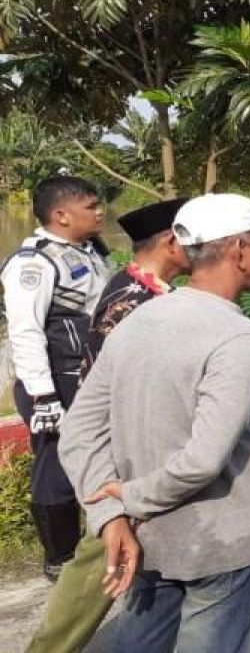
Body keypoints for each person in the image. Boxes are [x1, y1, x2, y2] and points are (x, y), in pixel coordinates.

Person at [59, 193, 250, 652]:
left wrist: (113, 516)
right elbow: (204, 460)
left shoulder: (138, 319)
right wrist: (127, 498)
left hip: (151, 539)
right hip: (223, 544)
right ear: (240, 250)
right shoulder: (236, 336)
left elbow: (78, 431)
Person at [25, 197, 190, 653]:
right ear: (172, 243)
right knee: (100, 562)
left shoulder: (153, 293)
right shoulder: (130, 303)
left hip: (144, 453)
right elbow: (110, 394)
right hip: (124, 456)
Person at [1, 176, 110, 581]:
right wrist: (43, 396)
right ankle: (60, 556)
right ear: (61, 215)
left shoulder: (88, 251)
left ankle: (100, 537)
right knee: (56, 465)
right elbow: (25, 332)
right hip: (56, 383)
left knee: (97, 456)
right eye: (91, 206)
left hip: (87, 374)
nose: (100, 211)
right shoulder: (34, 263)